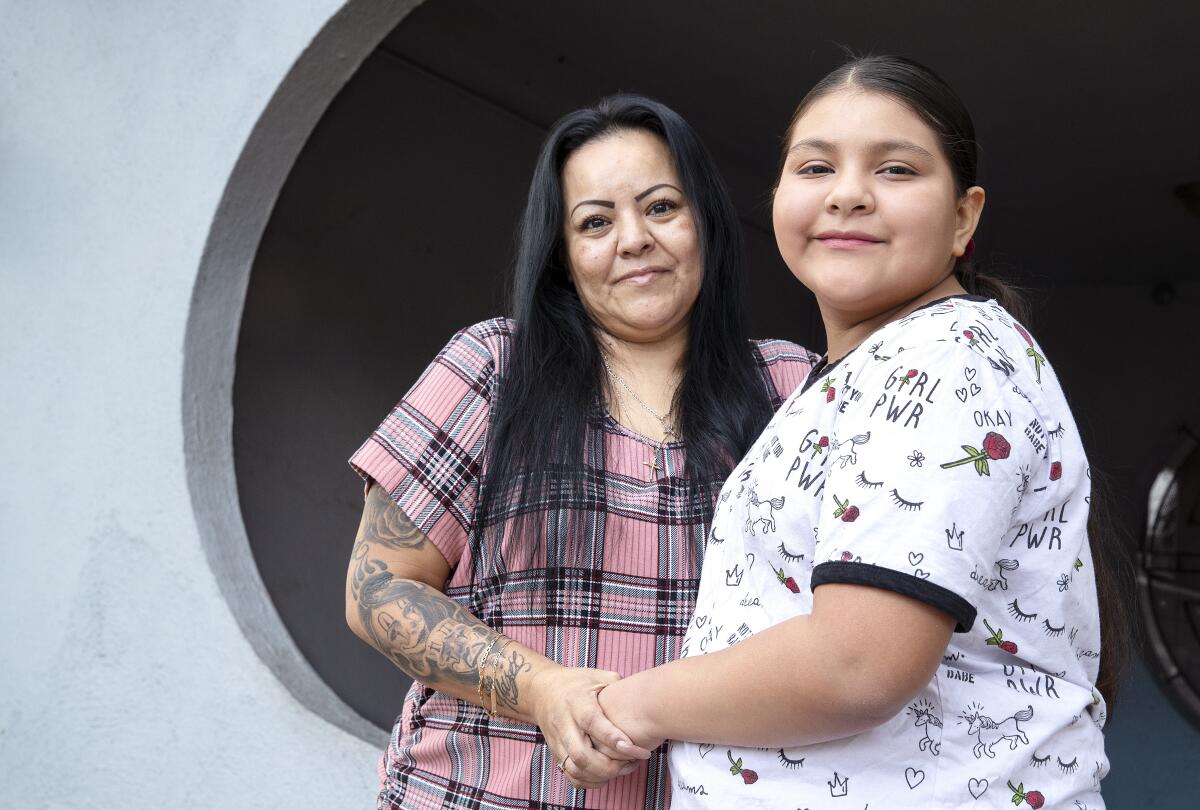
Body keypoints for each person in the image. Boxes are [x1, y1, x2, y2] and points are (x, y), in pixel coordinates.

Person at [594, 56, 1127, 808]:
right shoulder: (863, 372)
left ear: (964, 217)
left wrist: (629, 707)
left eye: (897, 170)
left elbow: (855, 665)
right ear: (778, 196)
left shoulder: (944, 358)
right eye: (816, 166)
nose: (848, 194)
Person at [344, 94, 816, 809]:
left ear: (707, 223)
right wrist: (543, 690)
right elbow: (377, 589)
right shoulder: (493, 367)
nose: (633, 240)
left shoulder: (794, 392)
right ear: (563, 256)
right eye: (595, 222)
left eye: (661, 207)